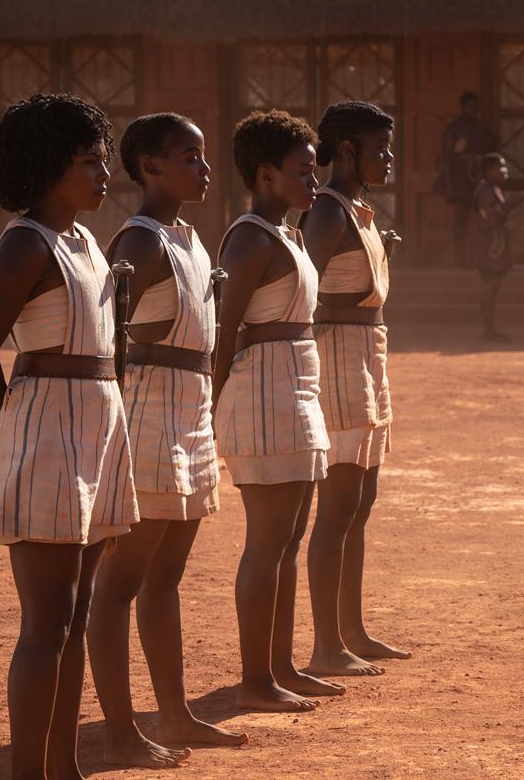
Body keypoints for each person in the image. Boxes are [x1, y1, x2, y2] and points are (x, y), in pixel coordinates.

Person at [0, 92, 140, 779]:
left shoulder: (85, 243)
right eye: (89, 163)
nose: (104, 176)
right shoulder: (24, 243)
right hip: (47, 432)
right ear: (46, 169)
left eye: (104, 161)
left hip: (97, 428)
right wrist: (17, 414)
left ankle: (62, 768)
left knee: (75, 615)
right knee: (46, 622)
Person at [86, 112, 245, 769]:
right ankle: (122, 730)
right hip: (148, 412)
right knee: (120, 581)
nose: (204, 169)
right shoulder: (140, 242)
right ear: (150, 166)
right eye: (189, 157)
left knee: (167, 575)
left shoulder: (188, 238)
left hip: (190, 413)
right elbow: (102, 336)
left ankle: (175, 714)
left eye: (204, 157)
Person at [214, 109, 344, 709]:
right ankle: (255, 678)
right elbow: (223, 333)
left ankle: (283, 665)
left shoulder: (288, 235)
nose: (313, 182)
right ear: (267, 175)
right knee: (266, 543)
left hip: (297, 390)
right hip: (264, 396)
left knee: (289, 539)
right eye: (303, 171)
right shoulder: (247, 238)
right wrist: (207, 410)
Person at [301, 101, 409, 677]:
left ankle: (352, 629)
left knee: (360, 503)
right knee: (338, 505)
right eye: (379, 148)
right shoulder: (327, 212)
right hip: (338, 356)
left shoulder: (358, 212)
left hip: (368, 355)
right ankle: (326, 644)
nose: (388, 158)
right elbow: (300, 286)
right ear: (346, 151)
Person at [466, 153, 521, 341]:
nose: (505, 171)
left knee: (493, 286)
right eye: (501, 167)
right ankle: (488, 330)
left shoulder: (492, 189)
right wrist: (511, 205)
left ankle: (490, 329)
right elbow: (491, 221)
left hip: (494, 244)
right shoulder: (487, 191)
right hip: (489, 246)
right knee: (490, 285)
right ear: (489, 170)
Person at [436, 91, 491, 267]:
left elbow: (488, 150)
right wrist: (449, 184)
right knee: (460, 222)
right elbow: (446, 157)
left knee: (483, 221)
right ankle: (459, 259)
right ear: (463, 107)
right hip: (460, 182)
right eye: (470, 106)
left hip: (478, 182)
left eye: (476, 107)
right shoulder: (454, 128)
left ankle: (481, 258)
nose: (473, 110)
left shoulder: (481, 127)